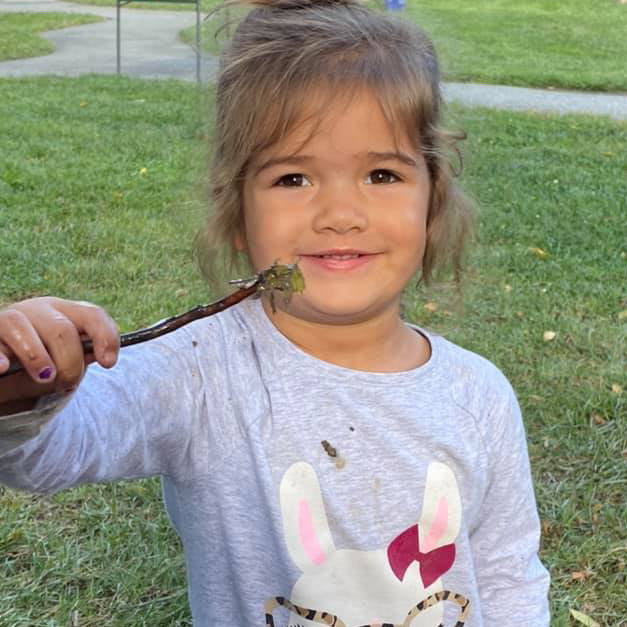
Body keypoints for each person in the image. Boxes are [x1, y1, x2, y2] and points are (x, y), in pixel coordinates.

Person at [0, 0, 550, 625]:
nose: (340, 213)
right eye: (293, 178)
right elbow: (51, 454)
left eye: (381, 173)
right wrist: (27, 394)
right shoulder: (201, 372)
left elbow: (508, 574)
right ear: (237, 213)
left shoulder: (478, 395)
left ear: (433, 199)